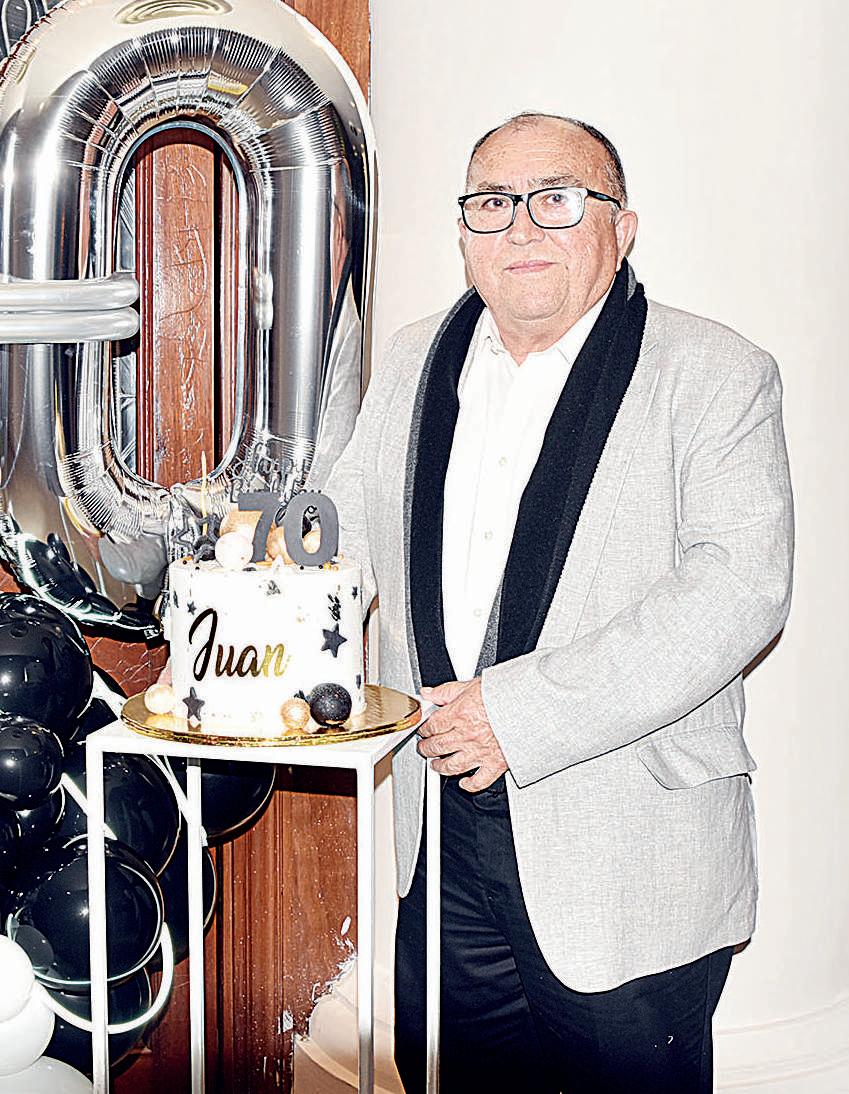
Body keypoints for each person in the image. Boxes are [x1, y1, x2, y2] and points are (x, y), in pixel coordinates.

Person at [321, 112, 794, 1093]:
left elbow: (738, 587)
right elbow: (348, 532)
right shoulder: (412, 357)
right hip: (439, 831)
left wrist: (516, 713)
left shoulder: (717, 371)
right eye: (492, 203)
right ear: (464, 231)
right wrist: (255, 598)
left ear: (622, 228)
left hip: (626, 844)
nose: (522, 227)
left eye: (559, 199)